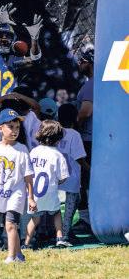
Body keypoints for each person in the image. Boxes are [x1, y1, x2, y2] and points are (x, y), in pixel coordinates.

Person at [0, 109, 36, 263]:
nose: (15, 131)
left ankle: (11, 257)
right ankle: (19, 255)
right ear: (0, 128)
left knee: (10, 224)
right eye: (11, 127)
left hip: (16, 195)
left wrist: (31, 197)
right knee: (9, 225)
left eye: (17, 127)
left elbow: (28, 176)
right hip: (0, 195)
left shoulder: (22, 149)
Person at [0, 3, 43, 105]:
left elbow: (35, 60)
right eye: (0, 36)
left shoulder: (14, 60)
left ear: (13, 40)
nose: (4, 39)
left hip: (8, 106)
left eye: (7, 36)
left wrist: (34, 39)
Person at [23, 120, 69, 249]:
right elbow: (63, 177)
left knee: (35, 218)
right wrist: (56, 182)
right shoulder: (57, 155)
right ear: (58, 138)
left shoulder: (33, 151)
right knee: (56, 213)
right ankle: (60, 238)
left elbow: (27, 172)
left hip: (33, 194)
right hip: (49, 192)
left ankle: (26, 243)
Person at [56, 103, 89, 243]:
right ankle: (64, 234)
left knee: (57, 206)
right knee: (70, 207)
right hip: (72, 176)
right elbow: (79, 157)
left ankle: (55, 231)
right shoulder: (74, 134)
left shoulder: (55, 131)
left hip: (57, 176)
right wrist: (89, 168)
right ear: (75, 117)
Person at [74, 46, 94, 231]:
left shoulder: (91, 84)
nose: (79, 63)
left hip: (88, 140)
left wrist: (75, 126)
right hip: (92, 139)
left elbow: (86, 112)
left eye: (83, 60)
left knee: (84, 179)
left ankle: (87, 219)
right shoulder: (93, 83)